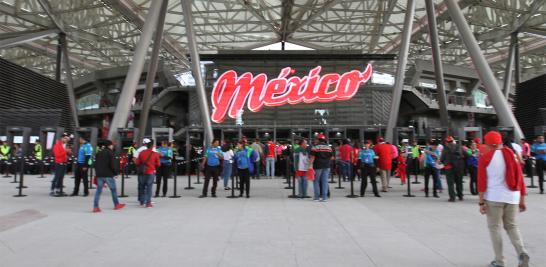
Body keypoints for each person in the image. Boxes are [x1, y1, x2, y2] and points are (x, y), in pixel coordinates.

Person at [478, 131, 529, 267]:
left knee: (495, 228)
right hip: (513, 197)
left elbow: (482, 182)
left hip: (494, 198)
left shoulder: (485, 157)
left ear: (487, 143)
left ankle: (499, 261)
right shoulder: (512, 155)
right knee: (512, 226)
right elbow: (520, 179)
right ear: (500, 141)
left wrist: (481, 202)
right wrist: (522, 200)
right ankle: (522, 252)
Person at [93, 140, 125, 213]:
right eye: (112, 145)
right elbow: (113, 165)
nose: (113, 146)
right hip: (108, 175)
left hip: (99, 175)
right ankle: (116, 204)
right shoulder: (111, 153)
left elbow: (95, 164)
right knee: (113, 190)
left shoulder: (98, 153)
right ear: (109, 145)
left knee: (98, 191)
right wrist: (116, 173)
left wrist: (97, 173)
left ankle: (95, 207)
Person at [135, 139, 160, 207]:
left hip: (142, 172)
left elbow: (137, 163)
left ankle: (141, 202)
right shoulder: (155, 154)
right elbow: (158, 164)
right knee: (149, 187)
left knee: (141, 186)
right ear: (152, 146)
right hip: (150, 172)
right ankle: (148, 203)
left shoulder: (141, 153)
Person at [309, 134, 333, 202]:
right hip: (327, 166)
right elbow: (331, 157)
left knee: (316, 181)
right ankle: (324, 198)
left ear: (318, 140)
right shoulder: (329, 148)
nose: (315, 140)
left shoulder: (315, 147)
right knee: (325, 181)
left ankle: (317, 197)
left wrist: (309, 166)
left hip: (317, 166)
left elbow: (312, 157)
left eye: (316, 139)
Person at [441, 136, 464, 202]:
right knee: (459, 182)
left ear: (447, 142)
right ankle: (460, 196)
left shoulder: (445, 148)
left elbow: (442, 159)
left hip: (449, 167)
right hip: (458, 167)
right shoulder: (458, 146)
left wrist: (443, 161)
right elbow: (465, 155)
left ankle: (452, 197)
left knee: (450, 183)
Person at [134, 138, 151, 203]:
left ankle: (141, 199)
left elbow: (134, 159)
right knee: (148, 184)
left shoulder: (138, 150)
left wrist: (138, 166)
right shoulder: (150, 150)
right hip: (149, 169)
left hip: (140, 169)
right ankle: (147, 199)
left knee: (141, 184)